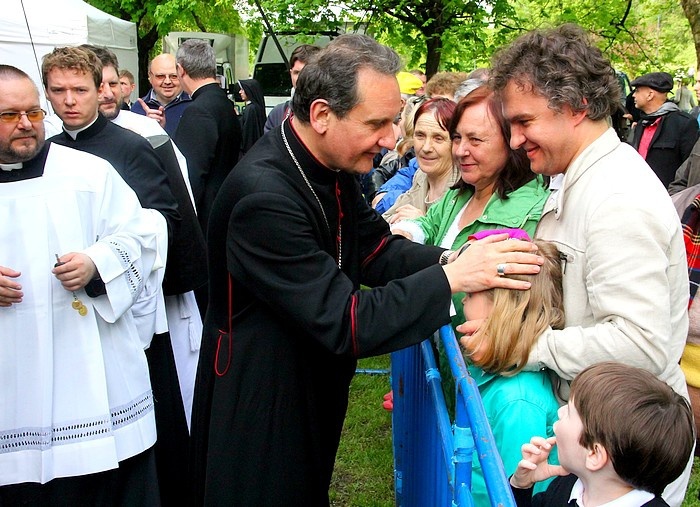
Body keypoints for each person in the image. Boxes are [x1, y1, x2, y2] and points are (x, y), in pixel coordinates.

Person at [188, 33, 544, 506]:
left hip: (306, 381)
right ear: (321, 115)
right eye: (376, 123)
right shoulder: (265, 198)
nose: (392, 139)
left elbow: (374, 250)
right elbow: (346, 320)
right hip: (263, 398)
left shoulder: (330, 166)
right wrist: (452, 280)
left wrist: (451, 258)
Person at [484, 23, 693, 505]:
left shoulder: (618, 197)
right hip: (595, 447)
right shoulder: (580, 178)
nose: (515, 140)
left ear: (576, 107)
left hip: (625, 460)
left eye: (524, 122)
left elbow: (639, 344)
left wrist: (524, 343)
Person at [0, 64, 162, 506]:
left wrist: (97, 262)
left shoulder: (88, 173)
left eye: (33, 112)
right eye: (9, 115)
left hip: (91, 373)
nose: (26, 124)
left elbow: (144, 236)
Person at [461, 237, 563, 506]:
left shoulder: (517, 402)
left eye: (471, 294)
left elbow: (511, 495)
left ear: (500, 308)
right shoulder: (496, 375)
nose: (463, 301)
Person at [509, 362, 694, 507]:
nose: (560, 412)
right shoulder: (568, 486)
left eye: (570, 412)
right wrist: (521, 486)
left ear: (594, 454)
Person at [173, 39, 241, 240]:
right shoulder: (223, 103)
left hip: (203, 220)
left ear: (180, 69)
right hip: (224, 208)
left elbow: (190, 178)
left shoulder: (198, 110)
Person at [382, 97, 459, 221]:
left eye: (438, 138)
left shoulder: (464, 188)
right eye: (420, 136)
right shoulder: (421, 176)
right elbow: (386, 221)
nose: (426, 147)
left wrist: (422, 224)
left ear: (456, 142)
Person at [629, 71, 698, 188]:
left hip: (669, 200)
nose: (633, 95)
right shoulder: (641, 124)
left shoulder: (684, 124)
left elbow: (690, 171)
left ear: (650, 95)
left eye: (637, 90)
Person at [264, 44, 321, 133]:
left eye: (306, 72)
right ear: (291, 73)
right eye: (297, 72)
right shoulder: (277, 114)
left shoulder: (334, 113)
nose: (300, 78)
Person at [132, 53, 192, 136]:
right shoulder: (138, 108)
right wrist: (145, 126)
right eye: (161, 76)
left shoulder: (194, 105)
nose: (167, 82)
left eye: (174, 76)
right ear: (150, 77)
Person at [237, 78, 266, 155]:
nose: (240, 92)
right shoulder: (256, 107)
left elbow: (247, 132)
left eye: (242, 90)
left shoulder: (251, 109)